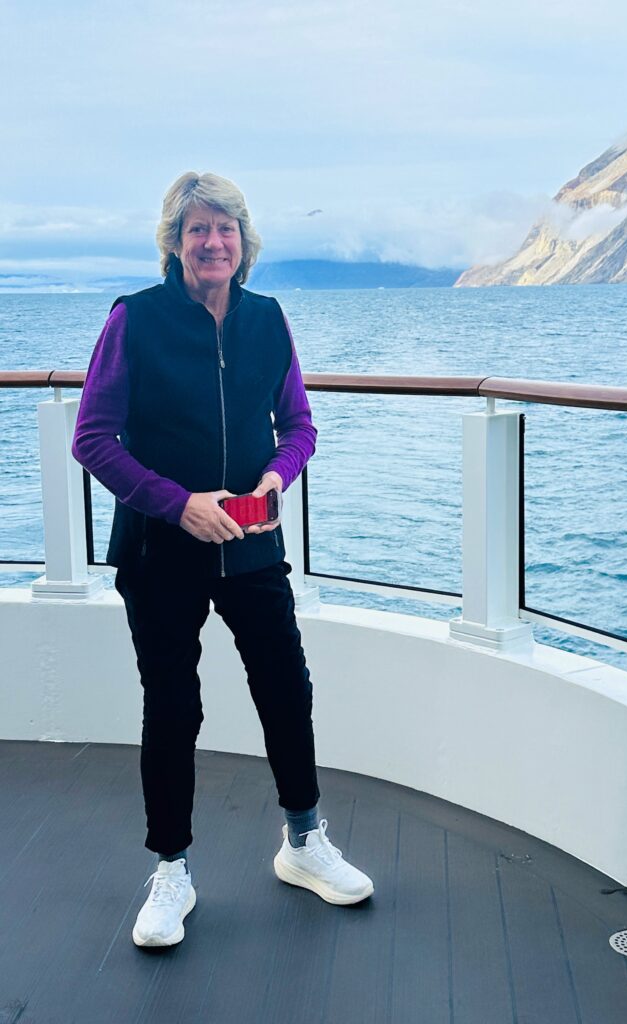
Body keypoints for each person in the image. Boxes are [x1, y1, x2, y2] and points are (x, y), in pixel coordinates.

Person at [72, 171, 373, 948]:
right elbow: (93, 438)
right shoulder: (133, 321)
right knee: (173, 705)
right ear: (174, 243)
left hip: (252, 543)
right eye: (197, 229)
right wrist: (177, 504)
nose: (213, 243)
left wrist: (278, 472)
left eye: (225, 230)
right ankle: (170, 870)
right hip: (159, 548)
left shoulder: (268, 320)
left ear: (245, 244)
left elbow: (298, 423)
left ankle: (303, 841)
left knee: (285, 685)